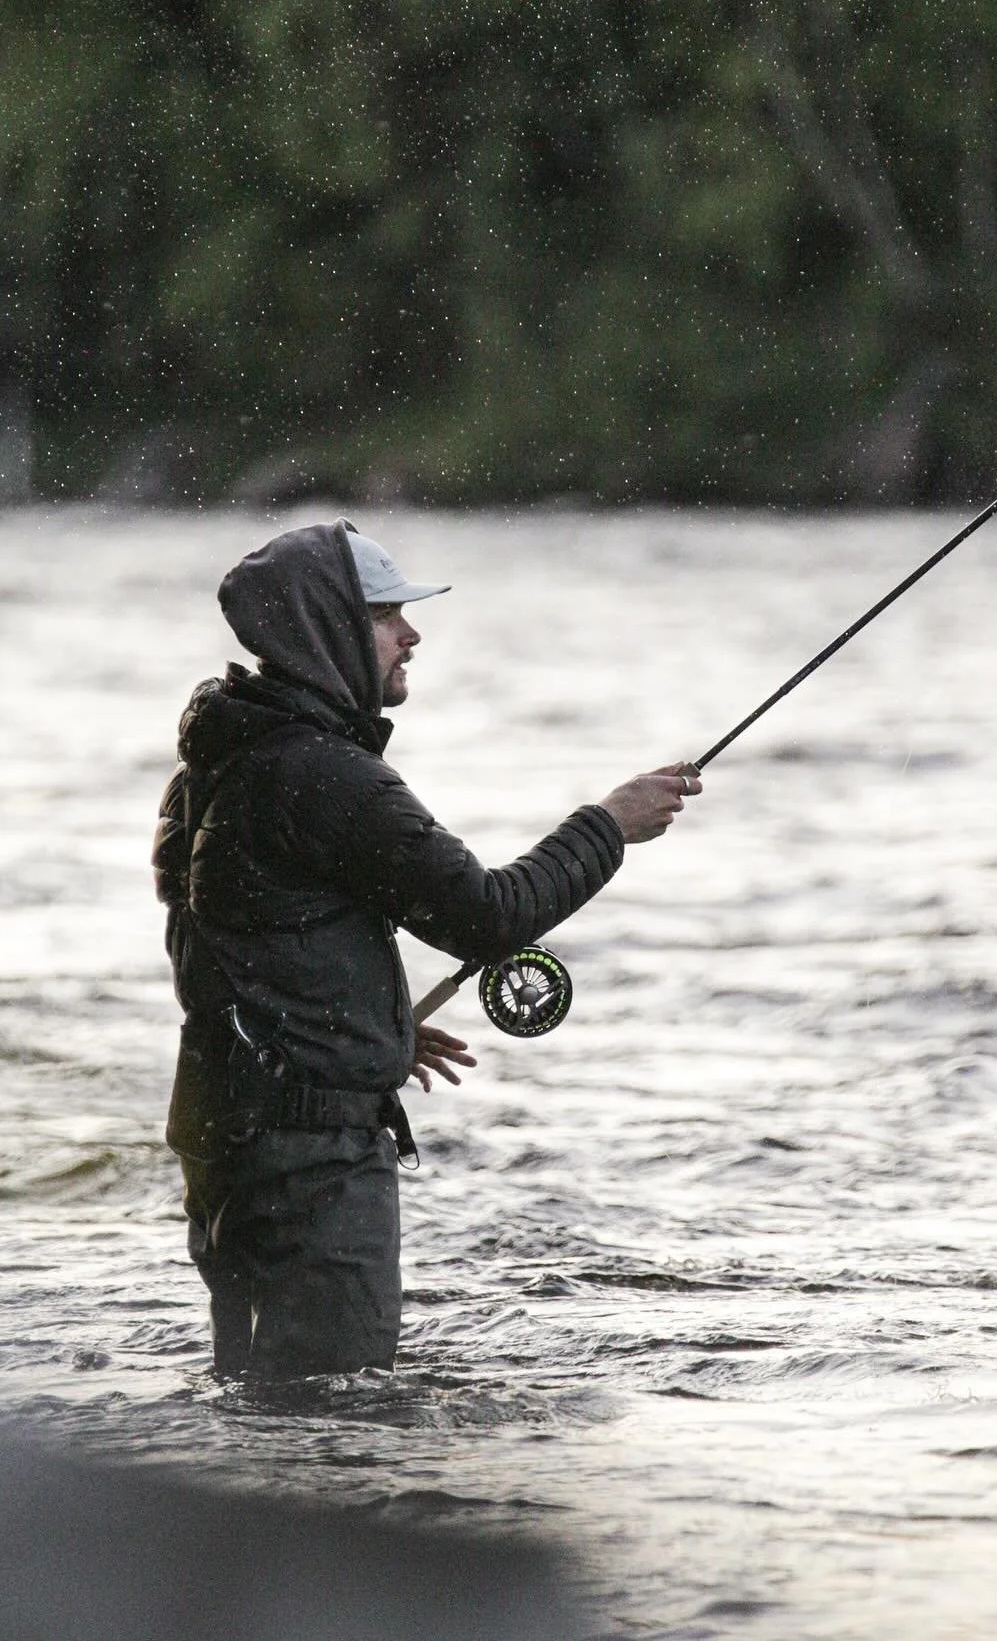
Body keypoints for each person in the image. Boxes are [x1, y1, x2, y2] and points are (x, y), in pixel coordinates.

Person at [153, 518, 699, 1380]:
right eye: (385, 616)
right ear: (326, 631)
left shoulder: (226, 759)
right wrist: (609, 826)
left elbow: (234, 943)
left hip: (229, 1139)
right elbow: (487, 916)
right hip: (310, 1164)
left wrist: (370, 1027)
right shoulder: (325, 775)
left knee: (257, 1400)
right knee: (334, 1413)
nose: (411, 634)